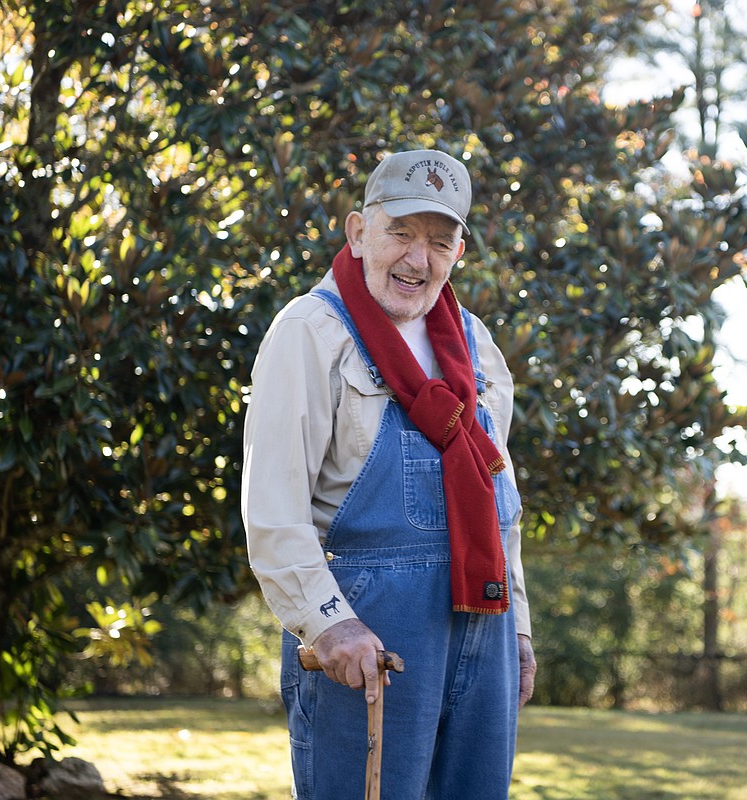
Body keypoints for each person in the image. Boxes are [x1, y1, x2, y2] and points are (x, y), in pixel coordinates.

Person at [242, 148, 535, 799]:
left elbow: (496, 501)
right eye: (400, 232)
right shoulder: (311, 333)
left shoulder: (476, 345)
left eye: (439, 240)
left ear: (459, 250)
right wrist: (328, 623)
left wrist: (517, 627)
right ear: (357, 231)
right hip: (367, 637)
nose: (417, 259)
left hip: (483, 630)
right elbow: (273, 512)